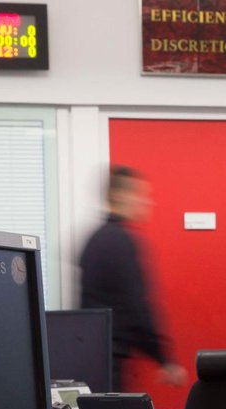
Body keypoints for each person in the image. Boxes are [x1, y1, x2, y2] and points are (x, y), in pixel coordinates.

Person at [79, 166, 188, 391]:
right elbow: (136, 308)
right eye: (140, 195)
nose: (147, 202)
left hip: (92, 356)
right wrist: (164, 359)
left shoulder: (95, 239)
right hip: (110, 361)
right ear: (119, 195)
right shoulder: (121, 242)